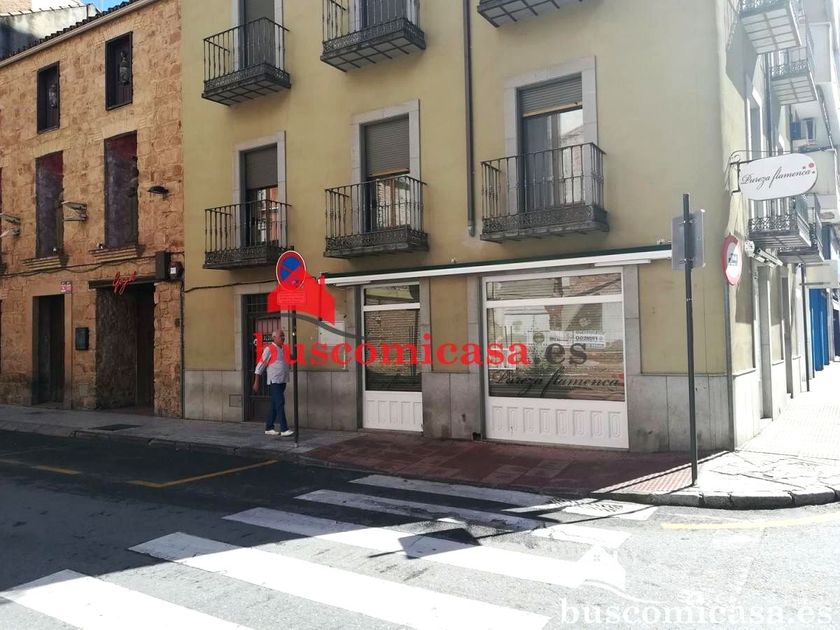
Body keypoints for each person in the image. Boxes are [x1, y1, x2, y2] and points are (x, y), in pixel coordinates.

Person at [253, 329, 294, 437]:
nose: (283, 338)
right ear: (274, 337)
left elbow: (288, 359)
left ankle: (269, 427)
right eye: (281, 336)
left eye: (284, 336)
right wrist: (256, 381)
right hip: (274, 380)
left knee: (275, 404)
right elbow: (261, 365)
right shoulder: (269, 349)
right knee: (280, 402)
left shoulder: (284, 348)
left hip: (283, 380)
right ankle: (284, 429)